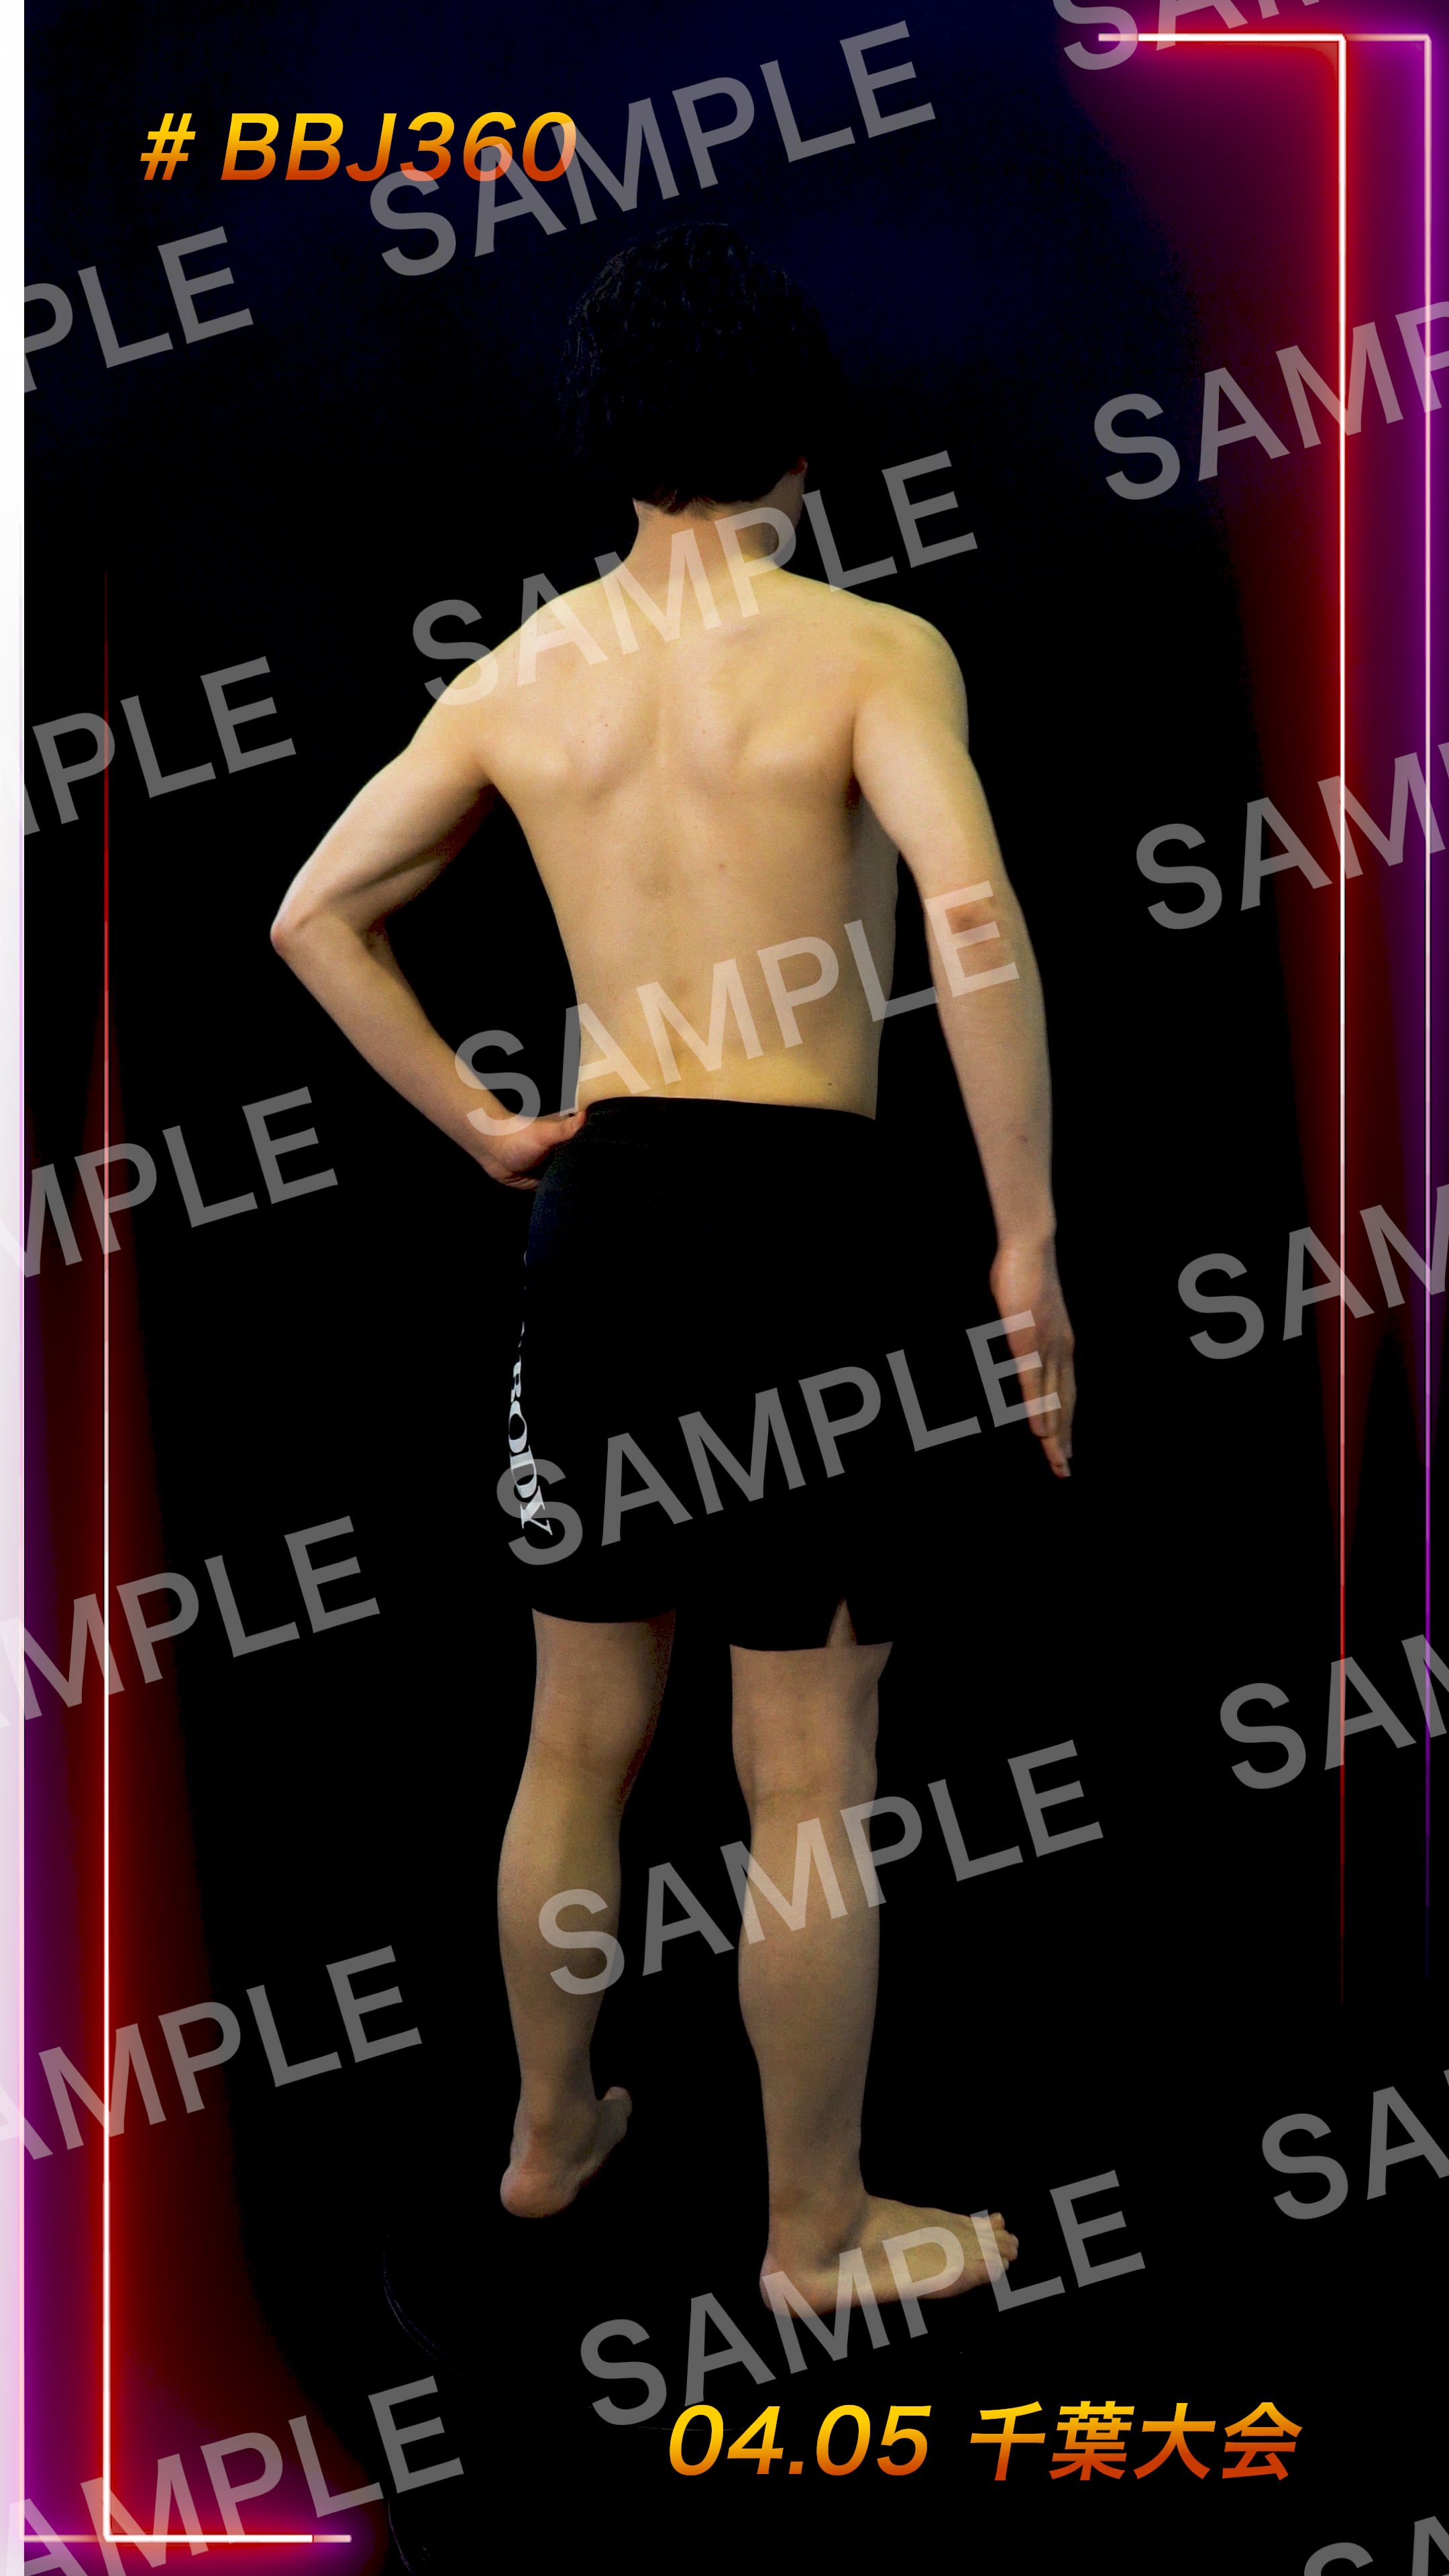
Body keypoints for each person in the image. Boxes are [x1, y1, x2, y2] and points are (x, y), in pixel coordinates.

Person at [270, 222, 1074, 2319]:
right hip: (801, 1229)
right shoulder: (870, 651)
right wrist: (1027, 1242)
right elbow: (972, 921)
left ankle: (548, 2143)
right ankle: (814, 2239)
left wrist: (482, 1124)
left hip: (603, 1224)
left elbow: (313, 913)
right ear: (801, 437)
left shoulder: (525, 675)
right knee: (804, 1765)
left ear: (613, 442)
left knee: (576, 1741)